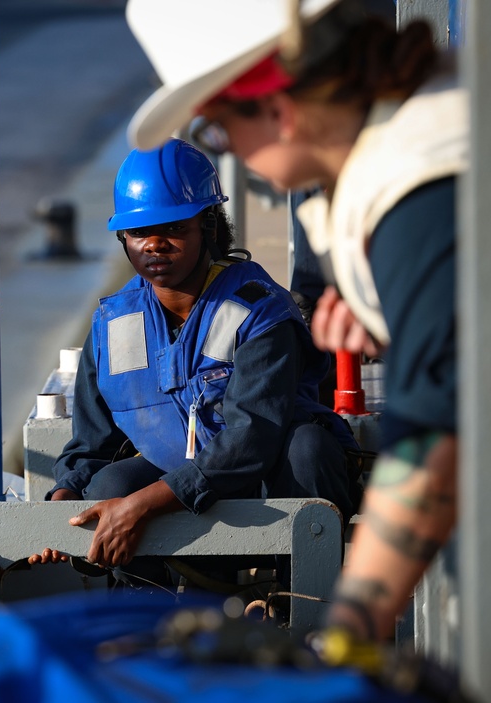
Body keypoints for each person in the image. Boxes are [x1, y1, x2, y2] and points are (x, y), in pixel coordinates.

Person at [121, 0, 463, 642]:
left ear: (278, 111)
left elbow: (433, 447)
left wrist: (347, 638)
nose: (235, 157)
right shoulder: (421, 128)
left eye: (221, 134)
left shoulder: (422, 187)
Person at [30, 139, 359, 573]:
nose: (155, 245)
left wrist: (144, 504)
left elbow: (250, 439)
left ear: (210, 228)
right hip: (172, 480)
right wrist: (61, 513)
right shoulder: (114, 324)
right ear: (122, 238)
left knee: (309, 449)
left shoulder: (259, 314)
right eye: (139, 232)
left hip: (263, 480)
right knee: (109, 483)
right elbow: (92, 445)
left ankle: (300, 597)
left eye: (174, 229)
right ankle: (151, 611)